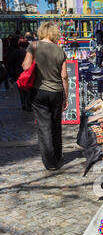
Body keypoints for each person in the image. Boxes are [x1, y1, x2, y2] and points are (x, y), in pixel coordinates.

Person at [22, 21, 69, 171]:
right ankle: (58, 155)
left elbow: (26, 66)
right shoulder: (60, 50)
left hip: (39, 92)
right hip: (56, 92)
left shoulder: (33, 46)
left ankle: (50, 163)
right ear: (55, 33)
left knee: (44, 127)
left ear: (41, 32)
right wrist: (66, 97)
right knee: (56, 125)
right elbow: (64, 77)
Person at [11, 37, 32, 111]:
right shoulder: (29, 53)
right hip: (28, 73)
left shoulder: (15, 52)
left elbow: (11, 63)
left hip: (18, 73)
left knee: (21, 90)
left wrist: (12, 74)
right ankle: (29, 104)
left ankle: (23, 103)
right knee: (28, 90)